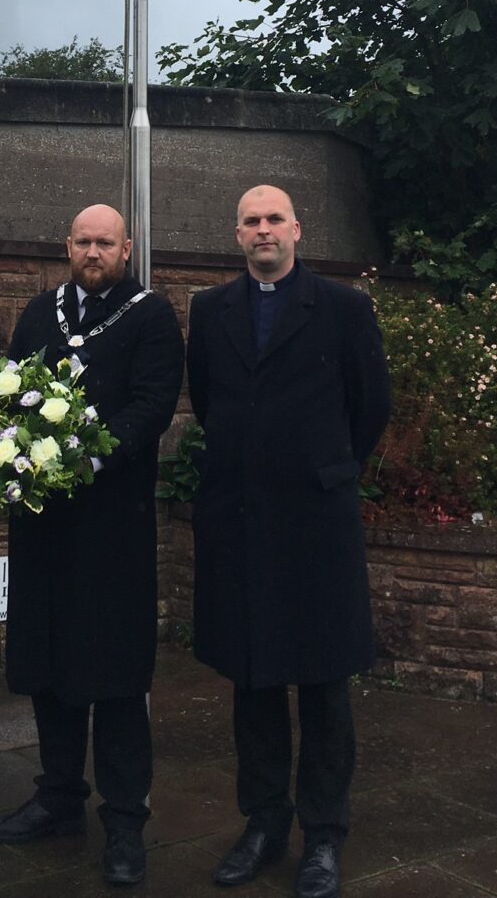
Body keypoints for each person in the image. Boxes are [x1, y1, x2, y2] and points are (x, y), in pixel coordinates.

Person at [186, 186, 391, 898]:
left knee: (325, 686)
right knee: (254, 681)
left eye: (275, 219)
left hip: (315, 524)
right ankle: (264, 823)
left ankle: (324, 836)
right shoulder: (210, 312)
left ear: (297, 230)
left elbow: (371, 406)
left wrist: (325, 468)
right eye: (251, 221)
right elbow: (210, 400)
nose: (263, 230)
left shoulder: (342, 309)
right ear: (237, 234)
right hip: (241, 523)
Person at [0, 204, 184, 887]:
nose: (93, 252)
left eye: (105, 242)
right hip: (44, 525)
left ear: (126, 248)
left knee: (117, 680)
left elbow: (152, 408)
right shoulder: (40, 312)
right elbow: (9, 399)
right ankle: (59, 799)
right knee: (49, 667)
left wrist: (88, 458)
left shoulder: (150, 317)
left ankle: (125, 821)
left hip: (112, 527)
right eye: (82, 241)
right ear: (66, 245)